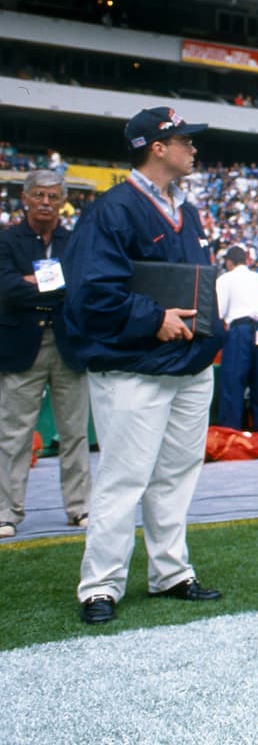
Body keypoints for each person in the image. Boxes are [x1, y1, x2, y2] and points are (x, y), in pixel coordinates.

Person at [63, 106, 226, 625]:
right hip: (133, 364)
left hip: (187, 362)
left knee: (176, 473)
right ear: (158, 147)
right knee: (124, 477)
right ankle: (100, 584)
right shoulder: (111, 210)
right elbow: (91, 293)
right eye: (185, 140)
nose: (193, 148)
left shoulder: (187, 210)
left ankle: (170, 571)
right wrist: (154, 318)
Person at [0, 169, 91, 539]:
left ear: (62, 201)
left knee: (75, 433)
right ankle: (6, 512)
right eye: (38, 194)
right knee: (14, 434)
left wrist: (31, 282)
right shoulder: (7, 240)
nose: (45, 202)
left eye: (53, 196)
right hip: (22, 346)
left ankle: (80, 507)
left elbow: (81, 285)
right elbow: (7, 288)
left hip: (69, 343)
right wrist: (54, 283)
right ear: (25, 198)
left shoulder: (75, 240)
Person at [216, 245, 258, 435]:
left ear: (229, 262)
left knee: (233, 383)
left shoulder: (225, 278)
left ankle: (230, 434)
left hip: (240, 330)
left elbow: (219, 311)